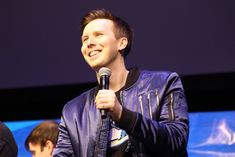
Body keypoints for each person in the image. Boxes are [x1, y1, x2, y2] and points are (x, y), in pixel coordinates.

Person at [52, 8, 189, 157]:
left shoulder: (162, 84)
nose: (89, 43)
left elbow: (177, 140)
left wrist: (122, 115)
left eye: (98, 35)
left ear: (122, 43)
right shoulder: (73, 111)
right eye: (85, 39)